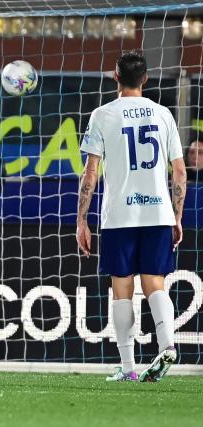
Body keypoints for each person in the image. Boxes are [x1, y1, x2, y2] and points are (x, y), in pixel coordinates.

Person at [76, 51, 186, 382]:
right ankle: (167, 344)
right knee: (155, 283)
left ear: (115, 77)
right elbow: (179, 172)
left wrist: (82, 219)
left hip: (119, 215)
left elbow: (90, 173)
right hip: (157, 212)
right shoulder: (163, 114)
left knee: (121, 289)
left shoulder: (102, 115)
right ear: (146, 79)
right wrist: (177, 216)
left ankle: (127, 369)